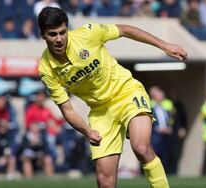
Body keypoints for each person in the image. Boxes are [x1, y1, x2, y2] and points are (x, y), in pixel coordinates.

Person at [37, 7, 187, 188]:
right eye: (53, 34)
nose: (59, 39)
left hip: (126, 93)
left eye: (62, 32)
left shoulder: (88, 34)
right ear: (42, 35)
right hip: (100, 111)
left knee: (141, 147)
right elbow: (67, 110)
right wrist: (87, 131)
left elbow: (125, 30)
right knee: (104, 182)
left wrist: (165, 46)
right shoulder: (46, 69)